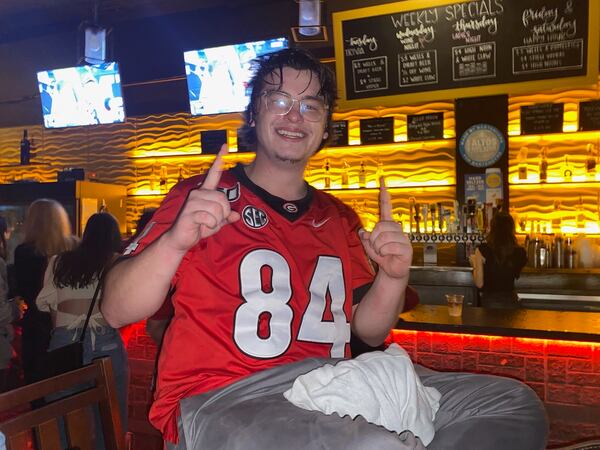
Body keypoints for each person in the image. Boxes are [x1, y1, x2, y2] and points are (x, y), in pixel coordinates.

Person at [102, 49, 548, 449]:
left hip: (331, 385)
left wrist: (393, 276)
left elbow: (368, 332)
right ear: (253, 116)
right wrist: (176, 241)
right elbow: (116, 311)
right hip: (221, 397)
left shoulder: (340, 219)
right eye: (279, 101)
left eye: (310, 106)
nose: (294, 116)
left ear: (325, 127)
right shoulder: (199, 198)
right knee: (371, 445)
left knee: (512, 404)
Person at [36, 212, 128, 446]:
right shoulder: (118, 262)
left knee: (62, 417)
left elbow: (50, 308)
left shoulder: (58, 261)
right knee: (110, 421)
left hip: (65, 342)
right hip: (105, 343)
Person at [14, 199, 76, 386]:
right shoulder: (75, 248)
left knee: (38, 386)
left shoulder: (25, 252)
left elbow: (23, 290)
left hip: (36, 326)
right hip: (70, 323)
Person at [470, 212, 528, 308]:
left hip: (490, 303)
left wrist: (474, 263)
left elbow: (479, 284)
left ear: (493, 229)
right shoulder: (520, 252)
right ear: (511, 230)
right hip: (511, 301)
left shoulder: (482, 249)